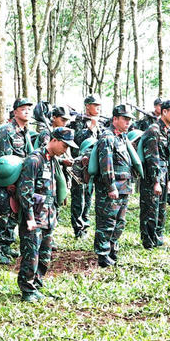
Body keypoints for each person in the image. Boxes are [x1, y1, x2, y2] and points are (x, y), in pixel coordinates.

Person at [17, 127, 74, 302]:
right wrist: (29, 218)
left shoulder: (52, 160)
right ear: (54, 140)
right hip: (33, 219)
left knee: (45, 256)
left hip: (48, 217)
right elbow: (24, 193)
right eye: (64, 145)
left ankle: (37, 284)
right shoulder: (34, 160)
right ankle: (27, 289)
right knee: (31, 256)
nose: (66, 150)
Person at [93, 104, 136, 267]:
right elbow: (106, 164)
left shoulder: (122, 137)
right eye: (125, 119)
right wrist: (111, 186)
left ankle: (112, 250)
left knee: (120, 221)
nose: (128, 123)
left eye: (129, 120)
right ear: (115, 119)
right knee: (107, 221)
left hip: (124, 187)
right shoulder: (107, 137)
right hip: (111, 188)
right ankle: (103, 254)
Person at [0, 98, 33, 263]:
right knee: (3, 213)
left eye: (29, 109)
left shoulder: (25, 131)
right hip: (6, 179)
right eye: (23, 109)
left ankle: (7, 244)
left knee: (14, 214)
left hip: (20, 178)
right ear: (15, 111)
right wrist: (9, 182)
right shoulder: (7, 131)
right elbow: (4, 159)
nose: (27, 112)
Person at [139, 99, 170, 249]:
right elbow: (152, 158)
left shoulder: (166, 131)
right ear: (164, 112)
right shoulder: (153, 130)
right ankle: (148, 241)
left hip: (163, 175)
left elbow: (168, 158)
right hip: (152, 177)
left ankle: (157, 238)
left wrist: (168, 180)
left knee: (161, 209)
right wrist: (156, 181)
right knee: (150, 209)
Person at [70, 94, 103, 238]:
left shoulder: (99, 123)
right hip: (80, 166)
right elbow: (76, 140)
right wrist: (90, 129)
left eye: (99, 105)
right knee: (79, 198)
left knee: (89, 197)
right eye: (95, 105)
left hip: (93, 165)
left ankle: (85, 224)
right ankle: (78, 228)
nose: (98, 108)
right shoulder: (78, 122)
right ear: (87, 106)